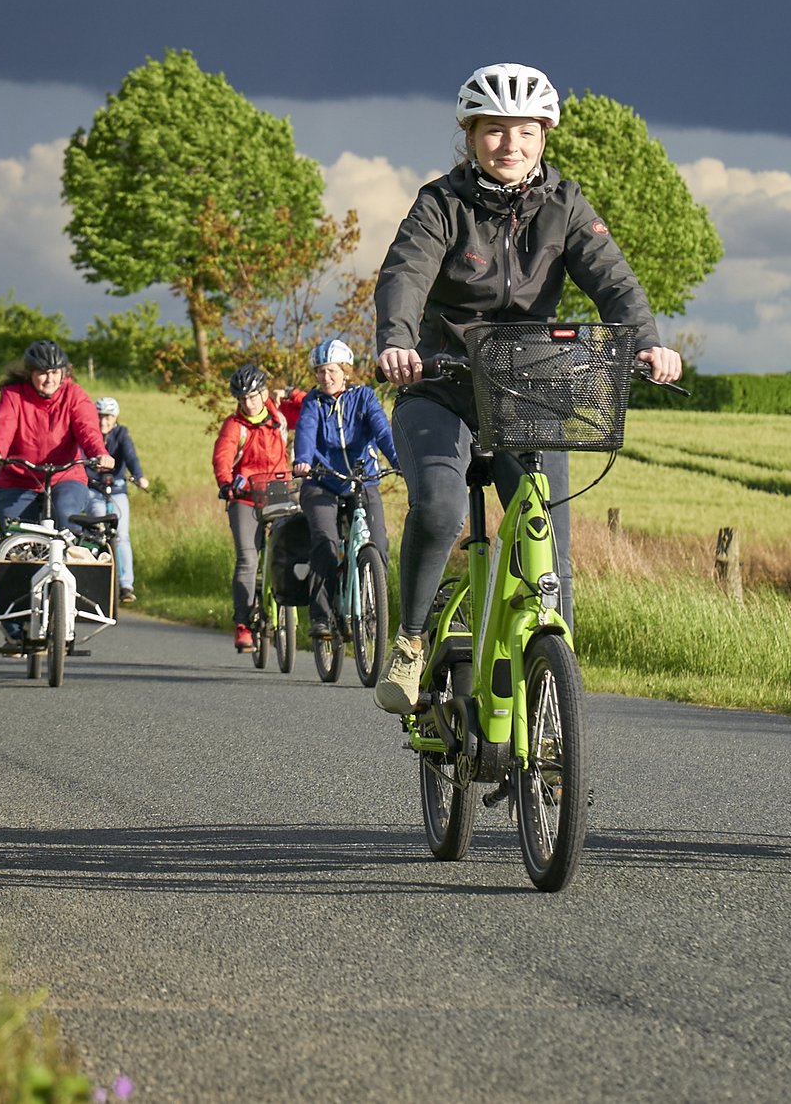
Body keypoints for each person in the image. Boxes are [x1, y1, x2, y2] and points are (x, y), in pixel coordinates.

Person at [373, 61, 682, 714]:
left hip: (528, 396)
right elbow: (405, 273)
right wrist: (398, 341)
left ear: (544, 135)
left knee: (549, 549)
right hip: (442, 386)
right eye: (493, 130)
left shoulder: (565, 205)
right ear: (471, 135)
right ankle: (411, 637)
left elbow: (614, 281)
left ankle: (550, 704)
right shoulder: (441, 204)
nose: (510, 144)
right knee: (440, 508)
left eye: (524, 130)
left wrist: (648, 340)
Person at [292, 338, 399, 646]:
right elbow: (306, 432)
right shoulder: (313, 402)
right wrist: (302, 460)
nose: (326, 378)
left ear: (345, 371)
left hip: (362, 479)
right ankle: (322, 616)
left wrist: (399, 461)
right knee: (325, 544)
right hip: (321, 481)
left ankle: (370, 603)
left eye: (332, 371)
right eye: (321, 372)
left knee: (377, 543)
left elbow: (382, 431)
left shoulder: (363, 397)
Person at [0, 340, 113, 529]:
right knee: (16, 533)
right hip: (18, 479)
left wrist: (99, 453)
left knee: (67, 517)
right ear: (30, 373)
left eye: (55, 372)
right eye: (42, 372)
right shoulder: (13, 395)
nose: (49, 379)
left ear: (63, 373)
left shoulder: (74, 395)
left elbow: (88, 429)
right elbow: (2, 426)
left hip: (65, 477)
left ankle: (72, 556)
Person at [212, 362, 291, 652]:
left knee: (289, 550)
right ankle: (243, 624)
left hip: (278, 490)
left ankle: (288, 604)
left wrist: (292, 393)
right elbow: (223, 455)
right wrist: (226, 482)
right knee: (248, 558)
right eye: (242, 398)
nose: (248, 402)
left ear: (264, 392)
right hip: (244, 495)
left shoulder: (279, 416)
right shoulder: (234, 426)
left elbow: (312, 406)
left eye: (253, 396)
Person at [87, 396, 149, 604]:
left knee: (122, 535)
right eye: (100, 417)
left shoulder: (121, 434)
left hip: (117, 488)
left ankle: (125, 585)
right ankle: (95, 580)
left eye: (108, 417)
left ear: (115, 418)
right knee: (96, 527)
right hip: (93, 489)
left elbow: (130, 455)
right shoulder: (88, 435)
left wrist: (139, 476)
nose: (103, 422)